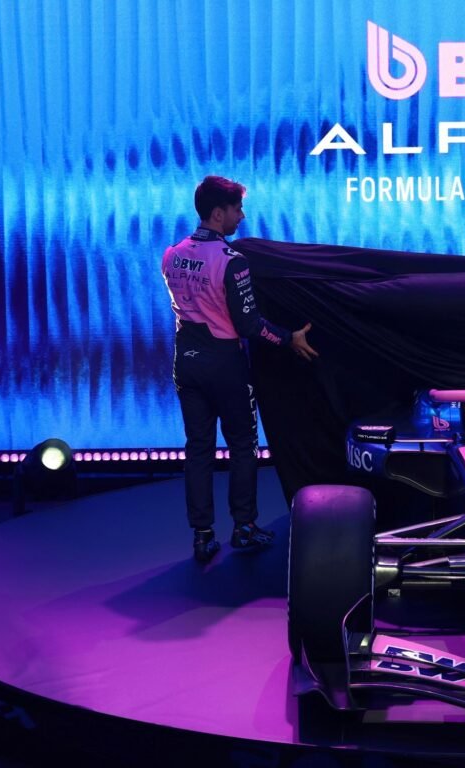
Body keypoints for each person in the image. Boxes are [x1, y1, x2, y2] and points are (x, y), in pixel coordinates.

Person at [162, 175, 318, 563]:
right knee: (243, 446)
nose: (242, 216)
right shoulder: (233, 262)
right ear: (218, 213)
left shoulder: (171, 254)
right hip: (225, 365)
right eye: (237, 209)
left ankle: (202, 536)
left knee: (198, 448)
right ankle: (244, 528)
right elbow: (249, 326)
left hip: (185, 361)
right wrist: (289, 338)